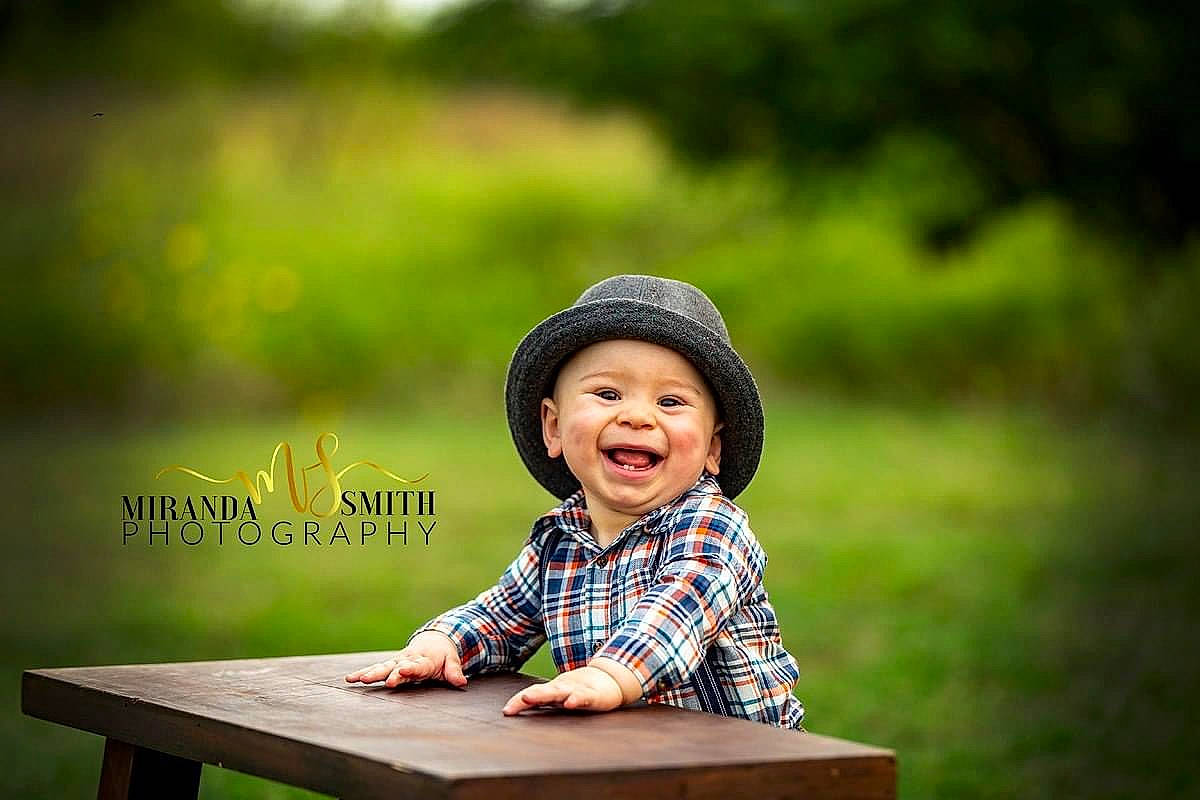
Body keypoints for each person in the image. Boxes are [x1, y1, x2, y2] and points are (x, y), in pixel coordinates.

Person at [346, 275, 805, 729]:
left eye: (670, 402)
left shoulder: (712, 527)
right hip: (622, 756)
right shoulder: (560, 537)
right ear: (554, 426)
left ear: (712, 449)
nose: (637, 416)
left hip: (747, 763)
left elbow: (678, 612)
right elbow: (503, 615)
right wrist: (441, 644)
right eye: (608, 394)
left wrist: (608, 675)